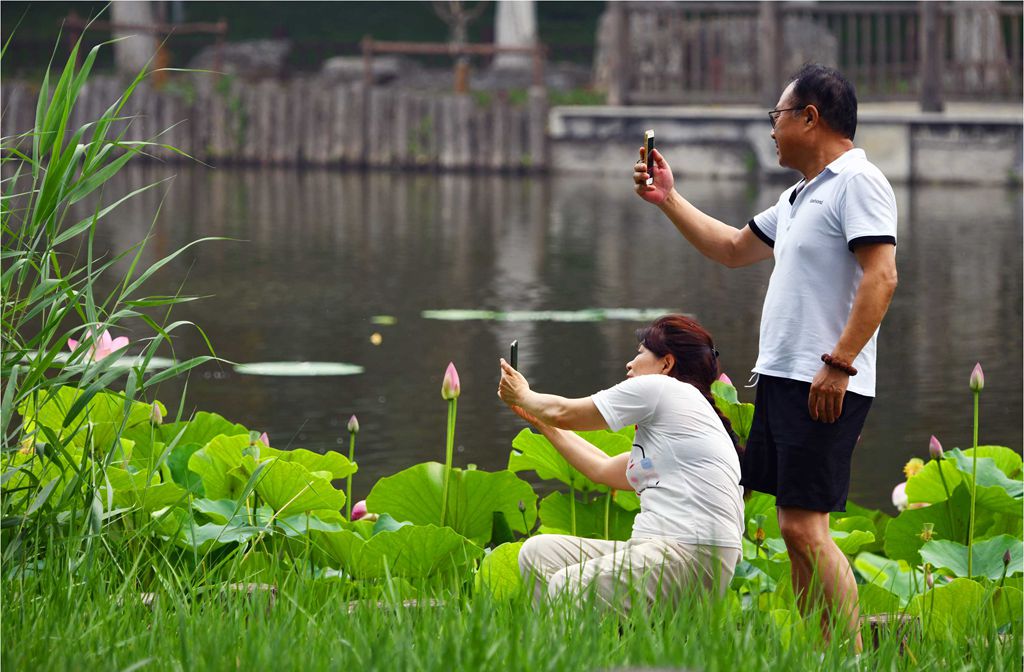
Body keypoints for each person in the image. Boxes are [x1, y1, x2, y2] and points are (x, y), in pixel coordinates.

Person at [632, 64, 898, 648]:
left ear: (811, 118)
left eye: (776, 117)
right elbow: (731, 249)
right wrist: (668, 199)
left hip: (824, 380)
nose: (772, 130)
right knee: (791, 526)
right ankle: (817, 651)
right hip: (783, 377)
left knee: (807, 526)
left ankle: (851, 655)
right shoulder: (802, 195)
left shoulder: (858, 181)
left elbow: (881, 276)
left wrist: (840, 362)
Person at [497, 315, 744, 611]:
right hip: (663, 549)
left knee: (569, 585)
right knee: (539, 553)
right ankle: (556, 647)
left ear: (666, 364)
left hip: (690, 550)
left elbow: (563, 411)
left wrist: (525, 395)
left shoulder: (662, 389)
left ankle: (575, 653)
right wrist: (541, 421)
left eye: (640, 353)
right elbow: (601, 468)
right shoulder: (676, 431)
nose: (629, 363)